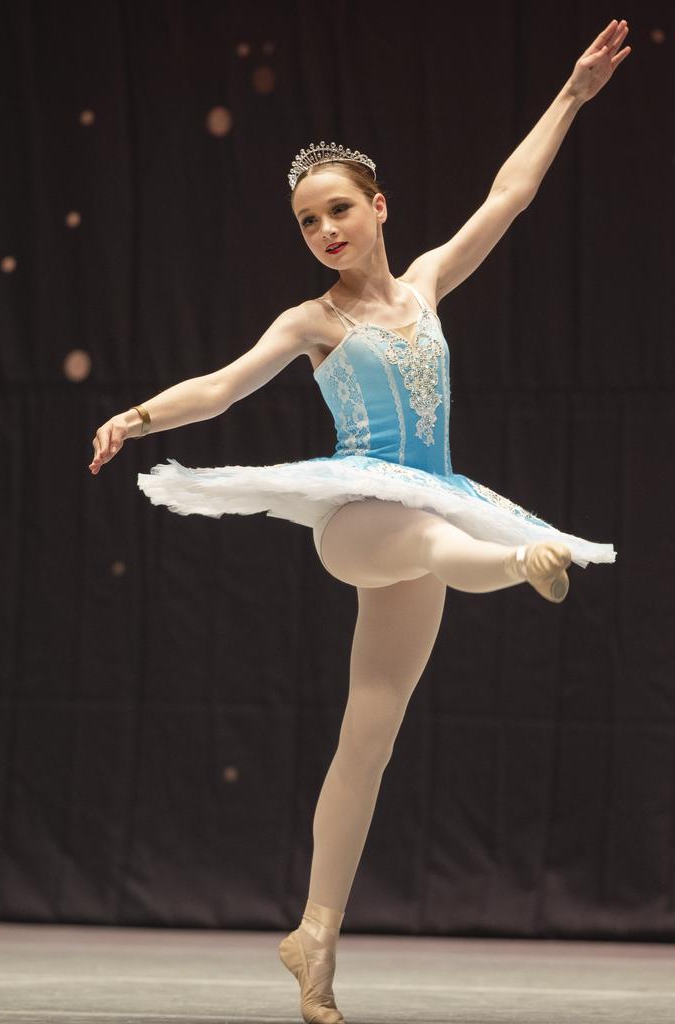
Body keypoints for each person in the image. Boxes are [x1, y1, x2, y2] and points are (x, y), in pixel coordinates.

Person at [89, 19, 630, 1024]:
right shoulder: (312, 322)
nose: (325, 232)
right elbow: (219, 386)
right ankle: (525, 557)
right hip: (361, 516)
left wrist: (570, 96)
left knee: (369, 734)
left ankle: (316, 934)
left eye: (337, 210)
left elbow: (507, 197)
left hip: (435, 498)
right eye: (307, 223)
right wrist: (136, 415)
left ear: (377, 208)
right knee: (431, 539)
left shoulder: (424, 286)